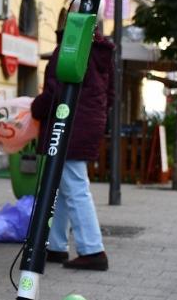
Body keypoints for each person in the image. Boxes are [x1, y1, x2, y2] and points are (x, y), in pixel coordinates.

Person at [30, 16, 114, 271]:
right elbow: (110, 96)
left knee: (75, 187)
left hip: (68, 124)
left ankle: (92, 249)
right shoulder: (102, 54)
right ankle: (56, 246)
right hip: (87, 124)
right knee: (62, 185)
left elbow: (56, 89)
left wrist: (36, 108)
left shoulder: (72, 46)